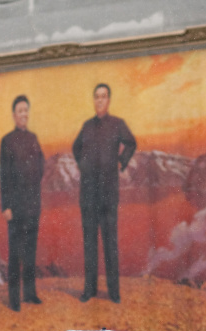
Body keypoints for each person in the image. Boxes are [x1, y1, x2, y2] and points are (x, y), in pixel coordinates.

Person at [72, 84, 136, 304]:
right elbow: (75, 148)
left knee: (110, 243)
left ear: (109, 100)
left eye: (104, 97)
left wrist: (121, 162)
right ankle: (89, 290)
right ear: (94, 100)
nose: (100, 101)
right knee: (89, 243)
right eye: (97, 97)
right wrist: (84, 166)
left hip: (108, 194)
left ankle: (113, 292)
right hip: (88, 195)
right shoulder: (87, 126)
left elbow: (131, 143)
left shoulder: (118, 125)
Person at [0, 95, 44, 311]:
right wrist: (6, 206)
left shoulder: (34, 138)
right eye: (20, 111)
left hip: (33, 205)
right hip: (15, 208)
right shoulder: (7, 141)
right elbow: (4, 176)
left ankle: (30, 293)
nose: (24, 114)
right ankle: (14, 299)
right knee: (15, 253)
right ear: (14, 115)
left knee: (30, 252)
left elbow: (41, 166)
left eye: (26, 110)